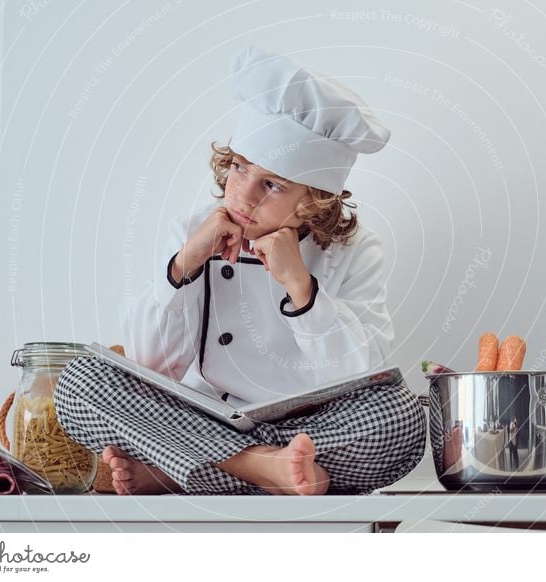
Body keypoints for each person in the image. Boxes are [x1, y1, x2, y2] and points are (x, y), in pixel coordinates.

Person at [53, 46, 427, 496]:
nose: (243, 197)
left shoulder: (355, 250)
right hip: (205, 414)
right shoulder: (193, 231)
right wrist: (184, 264)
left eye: (272, 185)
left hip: (313, 430)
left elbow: (355, 376)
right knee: (80, 380)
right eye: (240, 169)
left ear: (314, 200)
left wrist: (301, 288)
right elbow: (152, 364)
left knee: (400, 416)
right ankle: (264, 469)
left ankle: (180, 470)